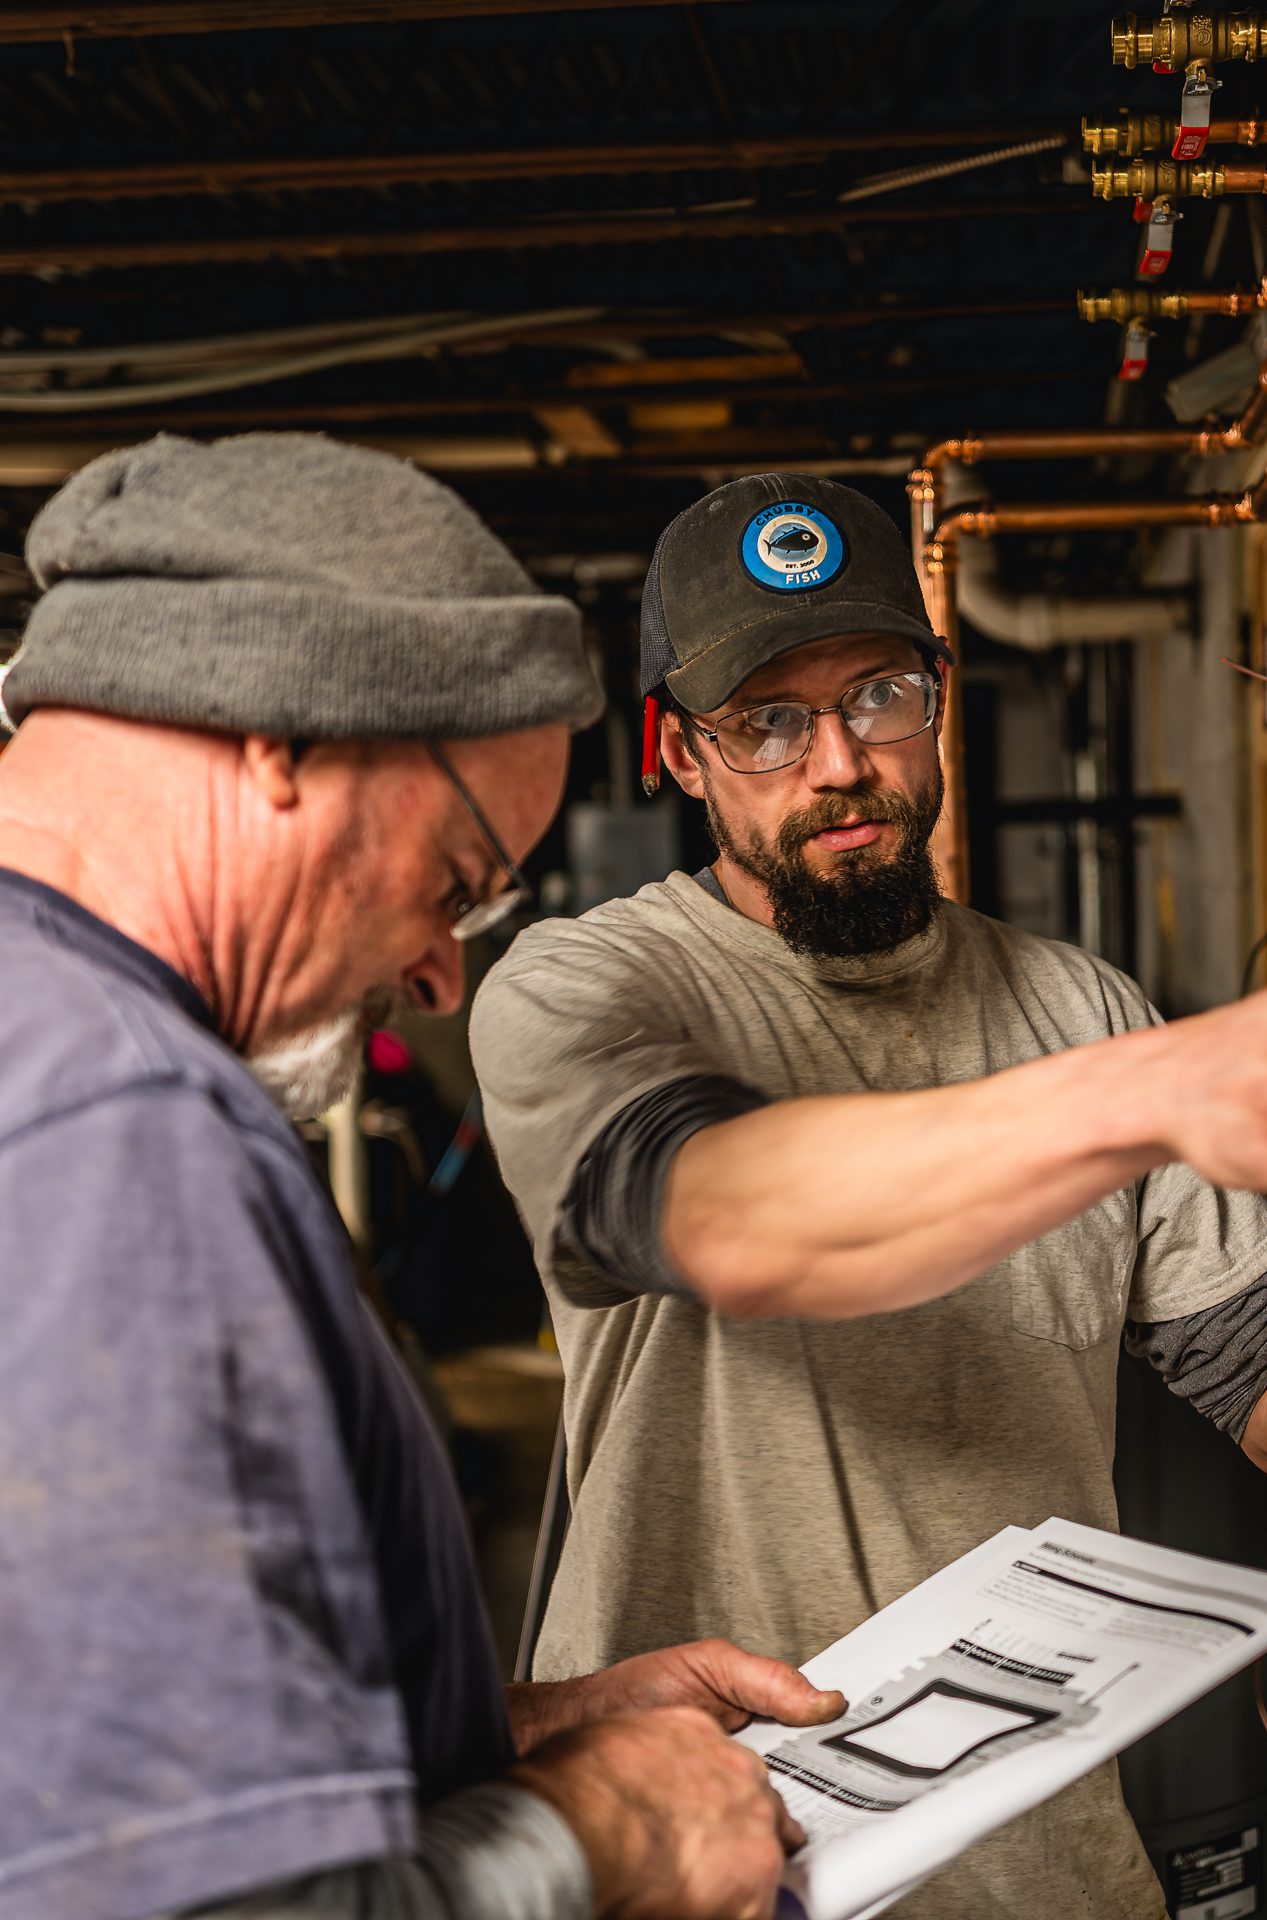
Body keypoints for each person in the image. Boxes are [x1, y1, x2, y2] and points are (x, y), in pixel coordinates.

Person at [470, 473, 1267, 1920]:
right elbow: (731, 1218)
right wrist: (1142, 1093)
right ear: (678, 756)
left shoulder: (1084, 1011)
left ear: (938, 698)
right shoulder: (591, 993)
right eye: (767, 721)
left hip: (1043, 1881)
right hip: (702, 1863)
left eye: (878, 694)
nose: (839, 763)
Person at [0, 434, 845, 1920]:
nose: (444, 978)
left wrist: (501, 1734)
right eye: (458, 881)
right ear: (286, 739)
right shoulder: (115, 1134)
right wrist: (603, 1834)